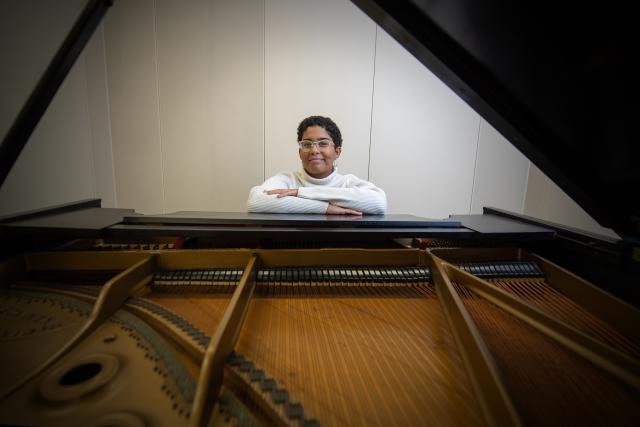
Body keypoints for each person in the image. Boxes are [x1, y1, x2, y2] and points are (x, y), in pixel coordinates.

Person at [247, 116, 387, 215]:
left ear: (337, 152)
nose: (314, 150)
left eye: (323, 143)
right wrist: (325, 208)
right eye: (307, 144)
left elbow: (379, 203)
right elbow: (256, 201)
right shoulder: (287, 179)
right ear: (300, 152)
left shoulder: (347, 182)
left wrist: (300, 193)